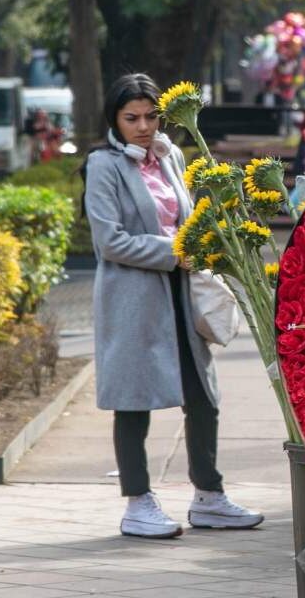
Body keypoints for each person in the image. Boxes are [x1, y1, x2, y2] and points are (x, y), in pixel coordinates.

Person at [81, 73, 264, 539]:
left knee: (203, 398)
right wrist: (174, 253)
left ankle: (209, 496)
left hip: (182, 297)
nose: (143, 126)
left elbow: (186, 218)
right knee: (132, 403)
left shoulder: (170, 155)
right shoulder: (103, 165)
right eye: (131, 118)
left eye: (150, 116)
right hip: (133, 302)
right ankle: (138, 503)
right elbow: (109, 241)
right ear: (115, 120)